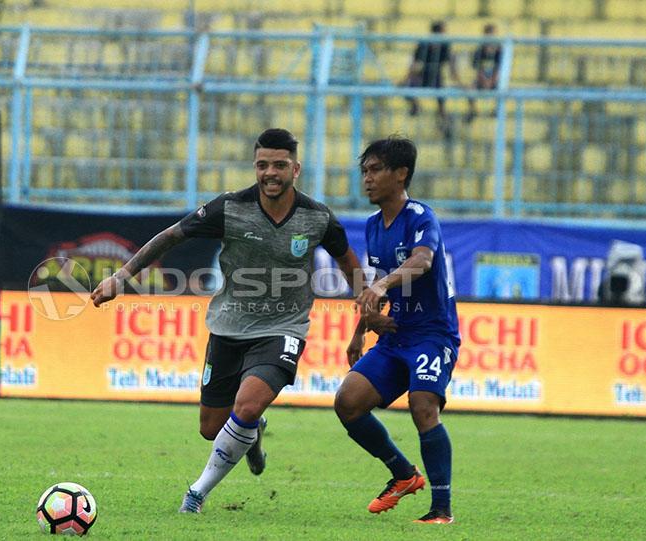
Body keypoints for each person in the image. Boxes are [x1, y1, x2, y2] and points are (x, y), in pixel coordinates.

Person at [91, 128, 363, 513]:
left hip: (284, 327)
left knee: (248, 407)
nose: (270, 173)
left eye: (280, 165)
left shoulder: (316, 217)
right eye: (263, 165)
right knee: (211, 428)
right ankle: (252, 436)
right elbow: (171, 236)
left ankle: (196, 493)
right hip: (229, 326)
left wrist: (364, 311)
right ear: (255, 166)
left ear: (296, 169)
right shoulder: (230, 207)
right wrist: (121, 277)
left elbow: (348, 260)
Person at [335, 136, 461, 524]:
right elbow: (375, 282)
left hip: (432, 332)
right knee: (348, 403)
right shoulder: (375, 226)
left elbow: (422, 262)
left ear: (400, 174)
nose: (367, 179)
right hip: (395, 334)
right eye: (364, 171)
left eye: (375, 170)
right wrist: (362, 329)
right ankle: (404, 474)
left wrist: (383, 285)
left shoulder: (421, 217)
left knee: (423, 406)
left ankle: (441, 509)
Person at [404, 21, 461, 138]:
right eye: (444, 31)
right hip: (423, 74)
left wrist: (457, 80)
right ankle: (416, 106)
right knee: (407, 89)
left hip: (436, 75)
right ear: (439, 31)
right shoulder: (424, 44)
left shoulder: (444, 45)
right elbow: (415, 63)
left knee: (441, 102)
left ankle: (444, 124)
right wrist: (406, 77)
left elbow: (450, 63)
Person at [466, 24, 501, 123]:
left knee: (502, 89)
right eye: (488, 34)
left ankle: (496, 110)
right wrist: (484, 81)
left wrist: (491, 81)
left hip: (495, 79)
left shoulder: (499, 51)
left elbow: (499, 70)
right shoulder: (479, 51)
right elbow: (478, 70)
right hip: (482, 79)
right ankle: (473, 110)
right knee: (470, 88)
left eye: (492, 34)